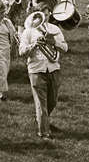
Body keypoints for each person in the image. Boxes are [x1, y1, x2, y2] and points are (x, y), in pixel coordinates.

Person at [19, 10, 68, 140]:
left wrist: (54, 43)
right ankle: (44, 133)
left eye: (46, 15)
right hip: (36, 70)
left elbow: (65, 48)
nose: (44, 18)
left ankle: (42, 120)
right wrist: (34, 45)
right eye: (41, 15)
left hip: (53, 69)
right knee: (41, 104)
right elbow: (22, 52)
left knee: (52, 101)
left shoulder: (55, 29)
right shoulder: (28, 31)